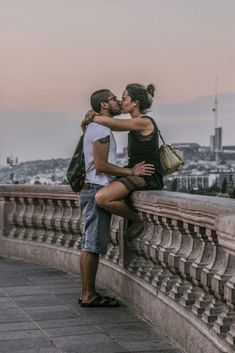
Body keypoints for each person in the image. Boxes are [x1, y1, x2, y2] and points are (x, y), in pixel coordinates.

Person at [79, 88, 155, 307]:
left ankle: (86, 292)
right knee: (92, 244)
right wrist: (131, 172)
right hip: (96, 187)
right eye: (114, 99)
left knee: (88, 243)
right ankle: (89, 295)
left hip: (89, 186)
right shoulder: (101, 130)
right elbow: (102, 166)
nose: (118, 103)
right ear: (104, 104)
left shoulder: (94, 126)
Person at [82, 83, 163, 239]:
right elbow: (112, 125)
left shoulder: (144, 121)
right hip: (137, 172)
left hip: (146, 175)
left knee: (101, 198)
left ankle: (137, 220)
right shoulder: (134, 123)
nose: (121, 102)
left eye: (124, 98)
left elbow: (108, 123)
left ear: (135, 102)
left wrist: (93, 116)